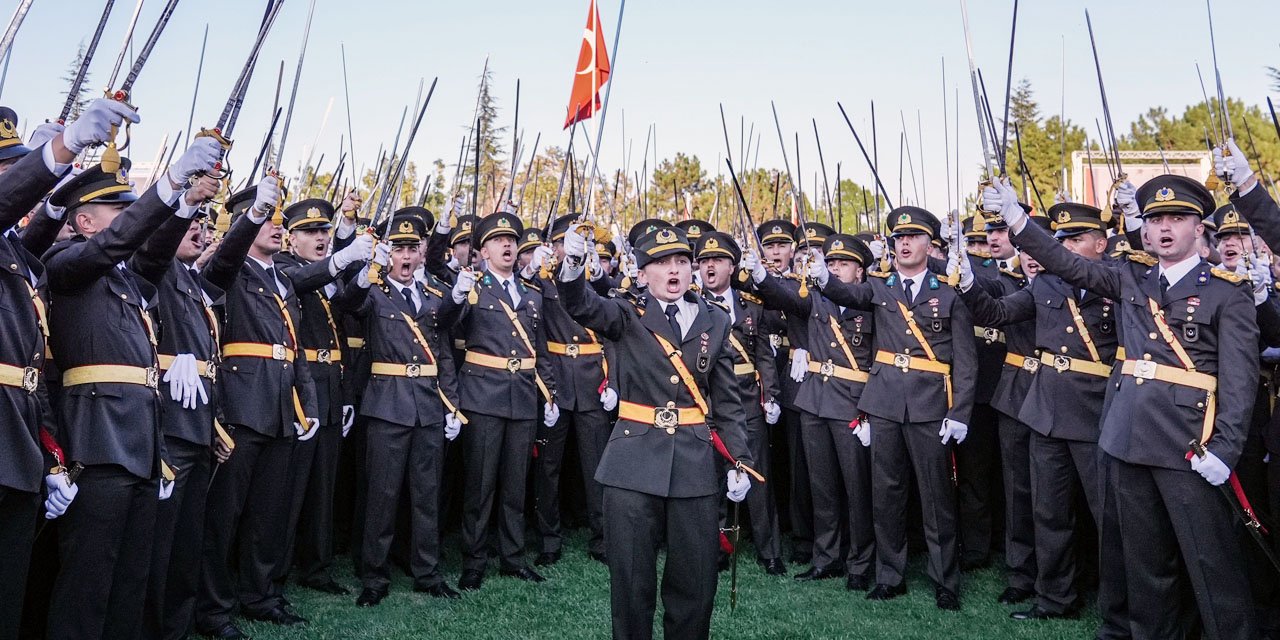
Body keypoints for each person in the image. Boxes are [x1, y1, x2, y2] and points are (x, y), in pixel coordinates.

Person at [986, 174, 1259, 639]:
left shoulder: (1226, 290)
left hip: (1189, 441)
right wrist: (1017, 218)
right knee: (1144, 560)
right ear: (1145, 232)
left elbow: (1239, 380)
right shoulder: (1130, 276)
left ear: (1200, 228)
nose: (1166, 228)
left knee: (1210, 559)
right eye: (1156, 220)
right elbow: (1064, 263)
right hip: (1128, 436)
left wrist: (1226, 448)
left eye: (1179, 218)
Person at [43, 105, 219, 639]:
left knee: (129, 579)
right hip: (97, 441)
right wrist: (165, 186)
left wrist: (185, 203)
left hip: (141, 440)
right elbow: (119, 245)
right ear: (83, 221)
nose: (123, 218)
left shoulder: (123, 279)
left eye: (127, 207)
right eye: (113, 209)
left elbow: (151, 254)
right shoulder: (67, 264)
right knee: (88, 583)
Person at [557, 223, 754, 640]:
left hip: (694, 464)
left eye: (682, 261)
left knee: (696, 582)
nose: (674, 270)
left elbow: (728, 400)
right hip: (632, 464)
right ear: (643, 274)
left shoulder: (714, 320)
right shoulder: (626, 312)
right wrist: (572, 264)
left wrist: (740, 460)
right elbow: (581, 305)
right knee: (631, 582)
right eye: (662, 263)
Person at [956, 204, 1123, 622]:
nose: (1062, 248)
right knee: (1048, 511)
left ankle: (1119, 605)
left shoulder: (1121, 282)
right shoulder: (1046, 284)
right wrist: (967, 284)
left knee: (1108, 516)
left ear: (1101, 244)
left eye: (1074, 240)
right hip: (1045, 411)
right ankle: (1055, 598)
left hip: (1097, 411)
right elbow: (997, 313)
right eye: (1060, 241)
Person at [807, 206, 977, 610]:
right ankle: (889, 574)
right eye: (899, 237)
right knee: (886, 494)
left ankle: (945, 580)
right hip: (883, 403)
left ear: (929, 245)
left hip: (930, 404)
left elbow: (966, 363)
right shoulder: (880, 288)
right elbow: (846, 292)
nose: (904, 243)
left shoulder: (949, 291)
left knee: (936, 497)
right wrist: (823, 274)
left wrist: (960, 413)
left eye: (913, 236)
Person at [0, 103, 123, 640]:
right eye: (7, 171)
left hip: (17, 443)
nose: (16, 182)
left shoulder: (18, 260)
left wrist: (48, 453)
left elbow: (32, 366)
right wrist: (61, 151)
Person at [195, 177, 319, 639]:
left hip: (282, 405)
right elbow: (224, 259)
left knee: (268, 512)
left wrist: (306, 402)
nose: (277, 226)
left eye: (277, 219)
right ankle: (213, 608)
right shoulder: (229, 269)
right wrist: (246, 223)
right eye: (266, 217)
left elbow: (295, 345)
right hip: (242, 404)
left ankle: (260, 594)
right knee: (225, 514)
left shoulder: (281, 278)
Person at [335, 211, 463, 606]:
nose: (405, 257)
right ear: (387, 254)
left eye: (411, 249)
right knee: (382, 495)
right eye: (398, 250)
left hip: (426, 406)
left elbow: (442, 355)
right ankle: (374, 577)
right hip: (386, 405)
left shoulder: (436, 297)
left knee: (427, 494)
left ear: (422, 253)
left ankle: (427, 572)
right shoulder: (373, 292)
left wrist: (452, 406)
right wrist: (363, 272)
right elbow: (347, 301)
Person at [746, 233, 876, 588]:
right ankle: (826, 557)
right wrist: (760, 274)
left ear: (860, 272)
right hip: (815, 400)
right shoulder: (814, 299)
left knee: (857, 487)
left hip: (852, 401)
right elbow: (782, 296)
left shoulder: (869, 301)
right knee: (821, 486)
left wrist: (870, 408)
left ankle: (861, 563)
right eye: (830, 263)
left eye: (842, 264)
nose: (834, 269)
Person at [447, 211, 558, 590]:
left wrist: (550, 392)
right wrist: (457, 295)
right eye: (497, 240)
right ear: (482, 251)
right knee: (479, 486)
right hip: (482, 395)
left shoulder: (531, 295)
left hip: (523, 396)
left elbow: (539, 349)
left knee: (515, 484)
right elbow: (446, 324)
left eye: (511, 239)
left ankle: (513, 558)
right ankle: (474, 561)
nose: (507, 245)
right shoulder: (473, 286)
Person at [271, 198, 372, 599]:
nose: (319, 238)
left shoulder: (329, 276)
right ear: (291, 238)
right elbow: (301, 282)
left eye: (324, 232)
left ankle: (317, 566)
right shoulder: (283, 267)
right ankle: (277, 570)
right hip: (300, 387)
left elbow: (345, 320)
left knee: (323, 488)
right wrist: (341, 259)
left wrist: (359, 276)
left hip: (330, 385)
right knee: (291, 488)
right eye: (310, 232)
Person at [523, 213, 613, 566]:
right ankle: (549, 538)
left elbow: (614, 322)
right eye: (563, 243)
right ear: (554, 246)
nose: (568, 249)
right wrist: (530, 269)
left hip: (593, 379)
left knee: (597, 464)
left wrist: (613, 380)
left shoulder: (597, 278)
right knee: (549, 466)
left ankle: (603, 537)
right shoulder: (542, 281)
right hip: (556, 379)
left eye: (577, 242)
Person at [696, 230, 785, 575]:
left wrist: (771, 396)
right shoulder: (691, 305)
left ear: (732, 267)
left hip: (748, 400)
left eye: (717, 260)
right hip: (709, 403)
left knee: (758, 477)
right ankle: (717, 549)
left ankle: (770, 551)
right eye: (704, 262)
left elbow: (763, 356)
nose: (710, 267)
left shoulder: (752, 307)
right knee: (713, 480)